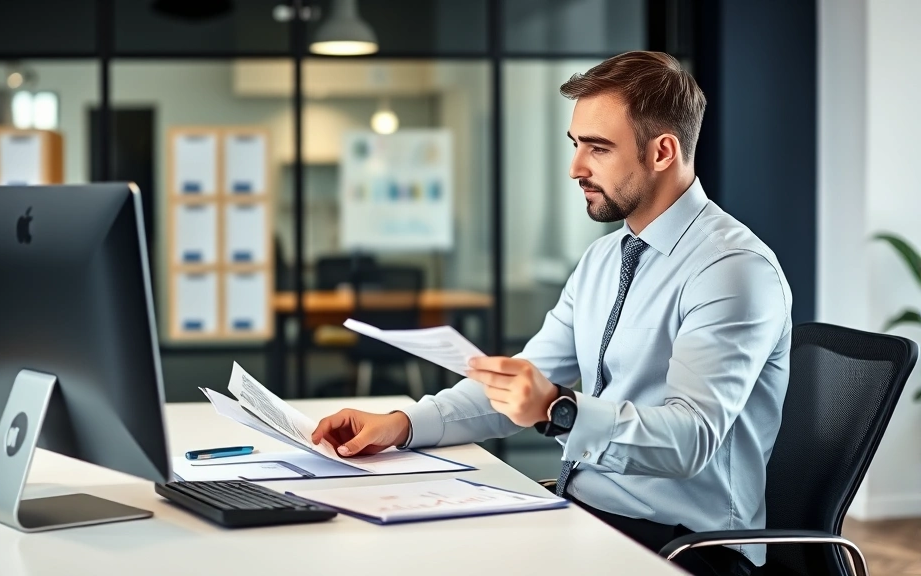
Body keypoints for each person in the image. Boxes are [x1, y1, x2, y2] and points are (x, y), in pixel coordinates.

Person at [312, 51, 790, 576]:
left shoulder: (732, 269)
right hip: (586, 514)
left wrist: (556, 409)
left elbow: (689, 439)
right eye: (575, 144)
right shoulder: (604, 259)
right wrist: (402, 425)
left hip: (684, 547)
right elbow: (523, 382)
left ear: (662, 152)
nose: (575, 168)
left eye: (598, 148)